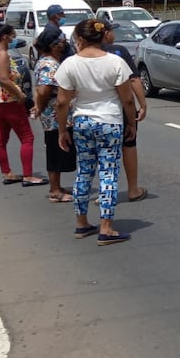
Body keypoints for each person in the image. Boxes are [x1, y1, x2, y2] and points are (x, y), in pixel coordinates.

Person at [55, 19, 137, 244]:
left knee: (84, 171)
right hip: (110, 121)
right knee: (108, 173)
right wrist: (131, 123)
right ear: (102, 37)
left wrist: (62, 130)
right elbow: (127, 99)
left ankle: (81, 223)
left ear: (80, 39)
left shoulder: (69, 64)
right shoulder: (116, 62)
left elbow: (62, 102)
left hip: (82, 122)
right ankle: (106, 227)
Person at [0, 24, 45, 186]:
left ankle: (7, 173)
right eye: (13, 36)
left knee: (1, 138)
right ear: (5, 37)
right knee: (27, 137)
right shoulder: (3, 55)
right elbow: (4, 79)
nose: (14, 39)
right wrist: (20, 95)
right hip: (10, 101)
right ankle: (28, 175)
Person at [102, 22, 148, 202]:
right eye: (111, 31)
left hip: (92, 112)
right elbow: (134, 80)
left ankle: (104, 192)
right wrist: (142, 104)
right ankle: (133, 189)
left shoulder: (81, 55)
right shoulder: (118, 52)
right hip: (120, 107)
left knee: (101, 152)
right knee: (128, 144)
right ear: (106, 34)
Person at [33, 28, 76, 202]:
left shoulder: (49, 61)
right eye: (62, 42)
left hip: (57, 114)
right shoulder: (49, 64)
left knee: (58, 150)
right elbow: (44, 90)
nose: (65, 44)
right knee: (55, 150)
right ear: (53, 45)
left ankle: (57, 186)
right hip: (54, 116)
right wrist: (40, 107)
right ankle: (55, 190)